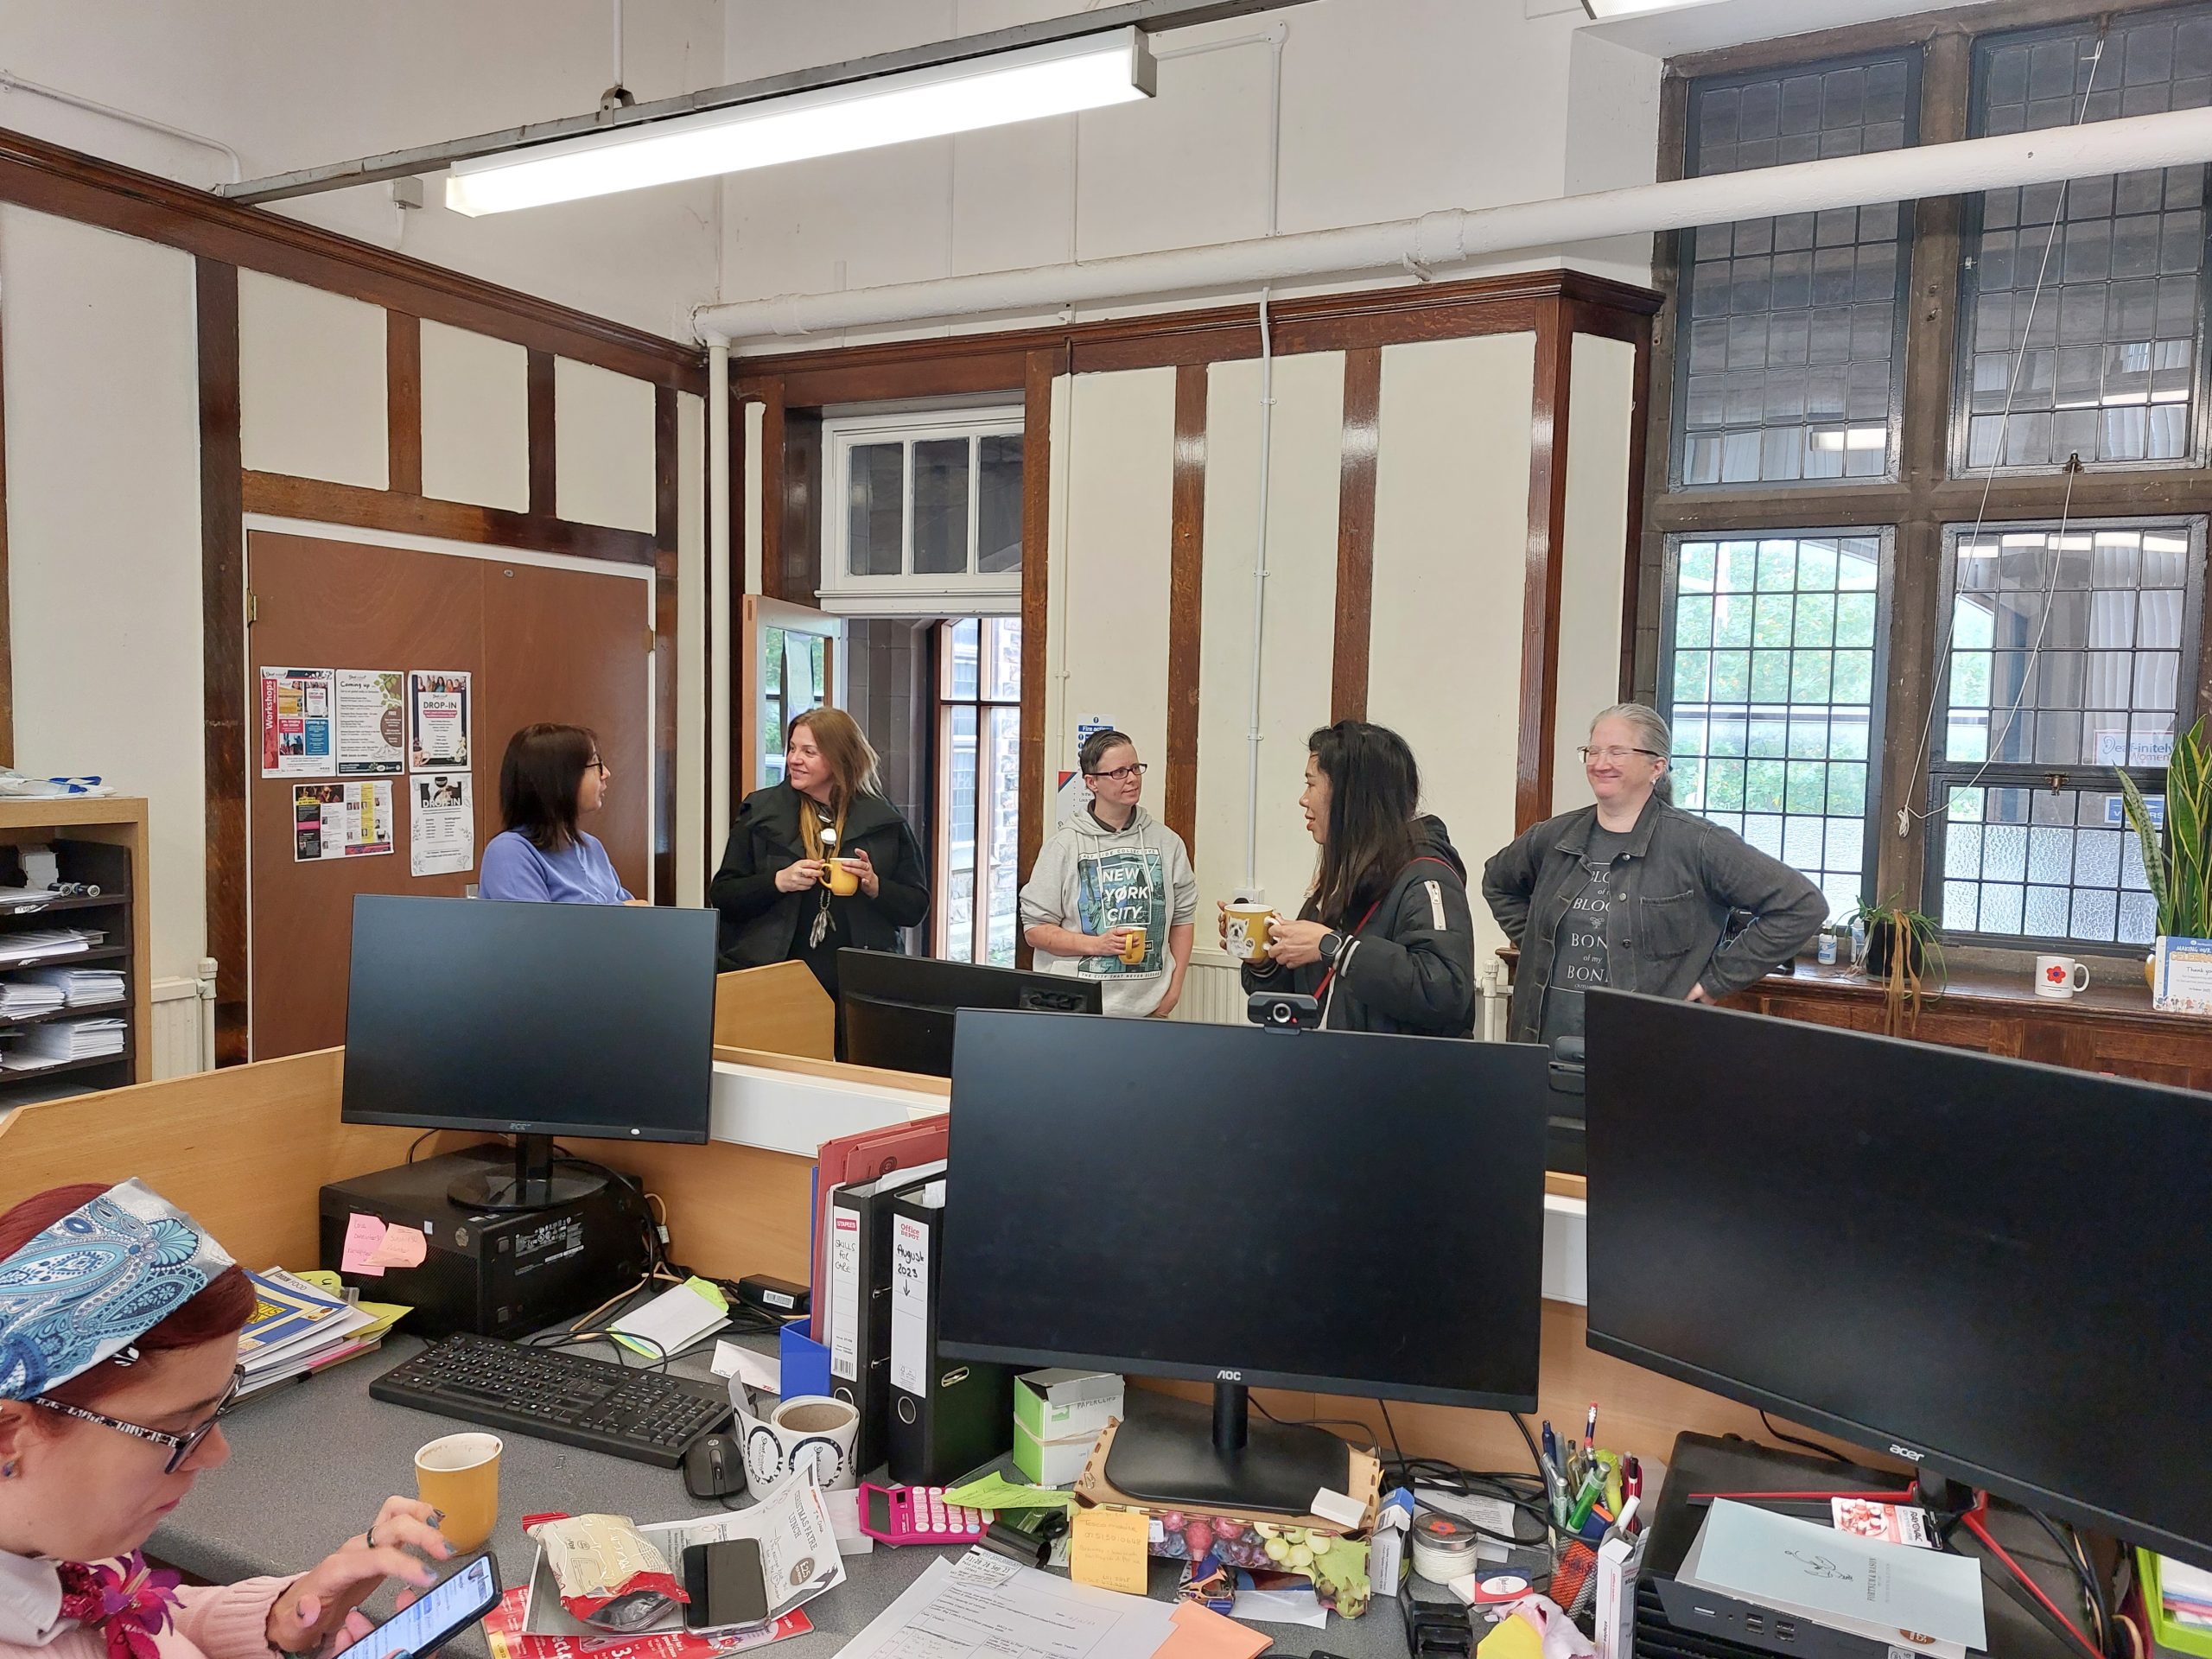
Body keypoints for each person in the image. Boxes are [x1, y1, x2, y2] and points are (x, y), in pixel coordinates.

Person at [0, 1181, 449, 1659]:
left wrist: (282, 1620)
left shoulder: (56, 1537)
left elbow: (132, 1619)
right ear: (9, 1435)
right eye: (175, 1431)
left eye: (218, 1407)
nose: (217, 1454)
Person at [1481, 702, 1827, 1046]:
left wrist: (1715, 981)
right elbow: (1497, 882)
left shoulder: (1699, 844)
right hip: (1542, 1047)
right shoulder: (1553, 837)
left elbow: (1801, 905)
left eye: (1617, 752)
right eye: (1593, 750)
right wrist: (1539, 943)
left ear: (1657, 767)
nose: (1601, 763)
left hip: (1646, 1053)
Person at [1227, 721, 1477, 1035]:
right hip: (1339, 1069)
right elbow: (1305, 997)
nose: (1303, 799)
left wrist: (1335, 948)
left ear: (1351, 796)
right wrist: (1264, 957)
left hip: (1399, 1079)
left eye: (1311, 784)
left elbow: (1446, 991)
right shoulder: (1344, 877)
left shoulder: (1427, 877)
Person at [709, 709, 930, 1006]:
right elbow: (723, 895)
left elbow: (915, 908)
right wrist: (777, 882)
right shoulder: (760, 811)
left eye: (809, 752)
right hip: (770, 977)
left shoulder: (883, 820)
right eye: (792, 748)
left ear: (840, 758)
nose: (793, 759)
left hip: (859, 985)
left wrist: (875, 886)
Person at [1020, 730, 1197, 1019]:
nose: (1132, 778)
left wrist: (1172, 992)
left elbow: (1183, 918)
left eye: (1135, 768)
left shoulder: (1168, 843)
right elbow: (1035, 930)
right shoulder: (1064, 846)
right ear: (1092, 782)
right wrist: (1097, 945)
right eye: (1118, 772)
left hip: (1150, 1011)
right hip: (1078, 1010)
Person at [479, 724, 639, 905]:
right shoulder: (509, 852)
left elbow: (635, 914)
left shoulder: (591, 846)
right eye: (596, 764)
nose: (606, 774)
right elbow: (536, 930)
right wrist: (623, 910)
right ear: (559, 778)